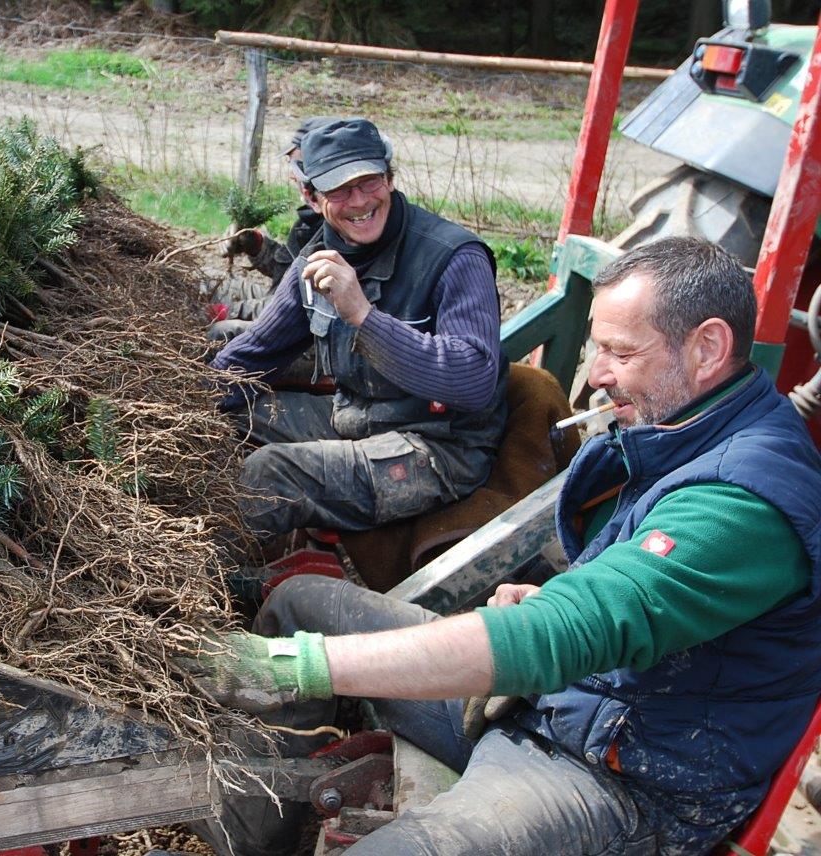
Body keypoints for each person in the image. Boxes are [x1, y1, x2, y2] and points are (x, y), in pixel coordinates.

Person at [184, 237, 821, 855]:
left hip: (622, 773)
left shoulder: (746, 503)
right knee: (301, 604)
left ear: (708, 347)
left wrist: (301, 666)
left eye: (621, 352)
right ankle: (257, 830)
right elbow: (630, 598)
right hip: (560, 701)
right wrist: (554, 595)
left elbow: (569, 633)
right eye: (597, 348)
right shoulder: (681, 427)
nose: (597, 375)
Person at [212, 118, 507, 538]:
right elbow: (256, 352)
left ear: (390, 178)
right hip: (356, 420)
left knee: (268, 474)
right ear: (311, 197)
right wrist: (182, 407)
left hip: (437, 448)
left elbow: (474, 380)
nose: (359, 200)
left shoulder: (454, 257)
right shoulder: (315, 260)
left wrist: (363, 316)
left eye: (370, 181)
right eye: (339, 189)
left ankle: (217, 576)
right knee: (224, 421)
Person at [209, 116, 335, 338]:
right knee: (207, 282)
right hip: (277, 298)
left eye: (297, 165)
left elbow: (294, 306)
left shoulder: (337, 229)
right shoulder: (313, 221)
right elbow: (289, 271)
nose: (291, 174)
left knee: (220, 333)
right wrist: (256, 245)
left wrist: (228, 311)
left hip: (300, 332)